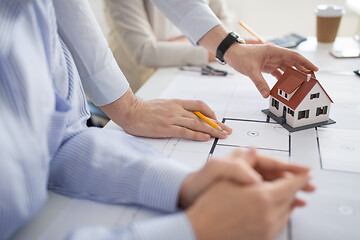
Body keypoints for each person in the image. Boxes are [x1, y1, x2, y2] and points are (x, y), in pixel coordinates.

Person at [0, 0, 317, 239]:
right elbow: (145, 50)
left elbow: (65, 141)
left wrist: (184, 185)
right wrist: (193, 229)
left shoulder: (37, 17)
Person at [104, 0, 234, 92]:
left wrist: (170, 47)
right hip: (137, 86)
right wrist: (219, 49)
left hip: (183, 71)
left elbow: (224, 24)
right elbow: (146, 52)